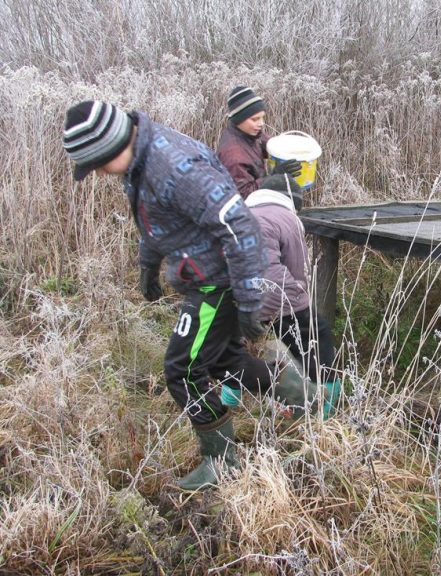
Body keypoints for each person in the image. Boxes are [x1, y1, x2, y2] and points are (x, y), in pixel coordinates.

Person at [61, 100, 314, 491]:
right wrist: (149, 263)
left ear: (111, 146)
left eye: (95, 164)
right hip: (208, 275)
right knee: (224, 358)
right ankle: (302, 395)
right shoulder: (141, 160)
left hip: (216, 280)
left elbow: (239, 223)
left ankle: (220, 462)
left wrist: (247, 299)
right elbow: (155, 219)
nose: (95, 173)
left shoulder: (172, 166)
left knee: (182, 371)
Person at [220, 173, 341, 418]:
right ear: (292, 201)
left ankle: (228, 402)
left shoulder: (237, 215)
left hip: (237, 293)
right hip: (276, 291)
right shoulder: (289, 218)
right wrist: (300, 298)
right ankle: (326, 407)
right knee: (317, 340)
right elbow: (298, 266)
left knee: (238, 346)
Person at [216, 86, 301, 200]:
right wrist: (275, 177)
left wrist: (289, 149)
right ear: (239, 119)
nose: (261, 123)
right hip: (245, 212)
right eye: (255, 119)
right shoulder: (234, 155)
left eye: (262, 118)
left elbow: (269, 144)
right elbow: (244, 196)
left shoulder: (250, 133)